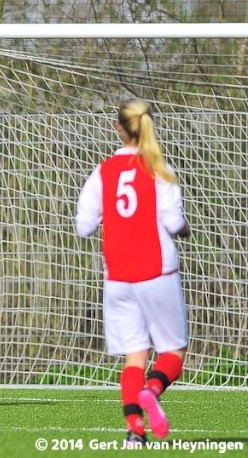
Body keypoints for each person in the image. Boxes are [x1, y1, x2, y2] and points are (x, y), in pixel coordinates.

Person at [75, 98, 190, 446]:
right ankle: (152, 392)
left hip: (118, 276)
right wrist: (184, 228)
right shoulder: (158, 168)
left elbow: (83, 227)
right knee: (173, 351)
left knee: (134, 356)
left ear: (118, 129)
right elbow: (173, 222)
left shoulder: (104, 170)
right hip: (157, 272)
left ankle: (134, 433)